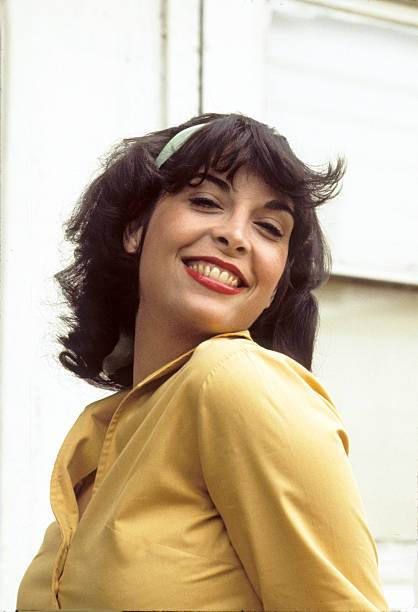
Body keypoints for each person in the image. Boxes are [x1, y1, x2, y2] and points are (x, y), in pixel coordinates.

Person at [16, 113, 389, 611]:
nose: (236, 236)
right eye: (206, 202)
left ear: (277, 280)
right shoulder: (104, 433)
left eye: (269, 228)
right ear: (135, 228)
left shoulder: (238, 381)